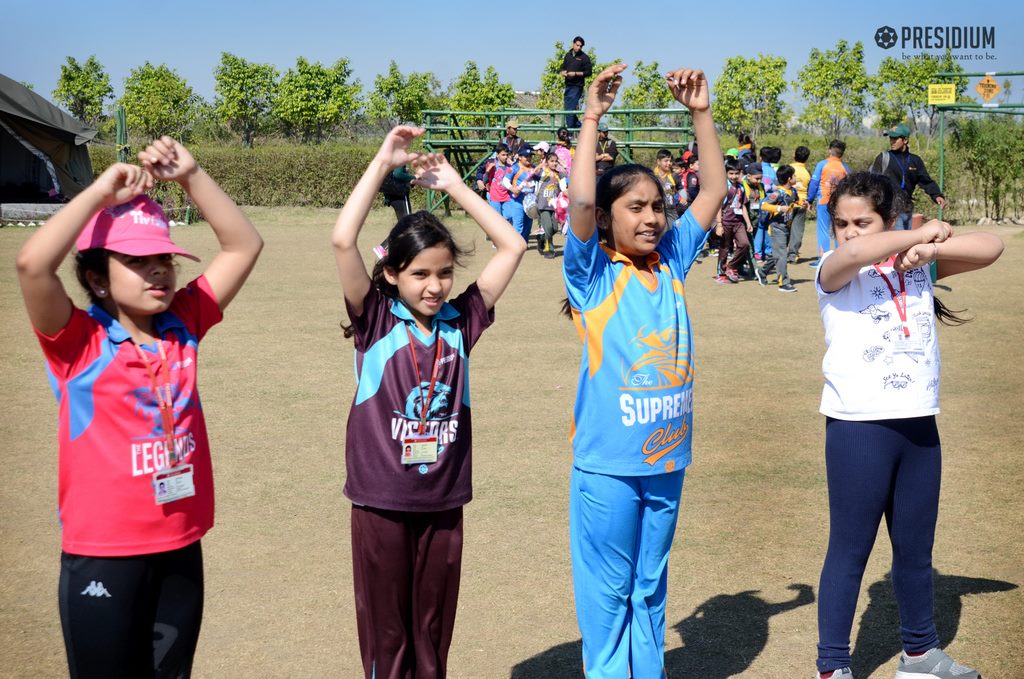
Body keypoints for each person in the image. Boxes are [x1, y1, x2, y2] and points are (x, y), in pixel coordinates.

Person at [15, 136, 263, 677]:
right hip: (104, 553)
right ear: (97, 279)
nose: (158, 272)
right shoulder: (77, 342)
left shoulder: (185, 322)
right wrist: (100, 192)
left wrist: (192, 175)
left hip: (180, 546)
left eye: (164, 261)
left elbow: (243, 245)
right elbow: (33, 265)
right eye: (137, 261)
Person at [331, 125, 526, 679]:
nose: (435, 286)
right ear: (392, 275)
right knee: (387, 636)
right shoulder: (373, 319)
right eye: (419, 274)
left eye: (443, 273)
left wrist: (455, 187)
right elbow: (344, 240)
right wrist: (381, 161)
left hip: (442, 499)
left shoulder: (462, 322)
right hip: (381, 500)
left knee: (432, 635)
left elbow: (511, 244)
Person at [563, 63, 726, 678]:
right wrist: (591, 118)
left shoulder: (673, 261)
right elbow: (580, 197)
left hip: (666, 461)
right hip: (608, 463)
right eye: (636, 207)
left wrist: (700, 114)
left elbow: (710, 194)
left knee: (649, 585)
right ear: (607, 218)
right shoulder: (593, 273)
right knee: (607, 594)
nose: (653, 217)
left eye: (658, 206)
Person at [813, 172, 1003, 679]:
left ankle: (919, 656)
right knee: (850, 552)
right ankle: (832, 666)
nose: (851, 233)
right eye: (841, 224)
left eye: (863, 222)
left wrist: (925, 250)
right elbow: (854, 258)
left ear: (888, 219)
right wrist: (919, 234)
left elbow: (992, 247)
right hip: (859, 428)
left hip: (919, 426)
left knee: (916, 552)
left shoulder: (913, 259)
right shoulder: (835, 268)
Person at [869, 123, 946, 230]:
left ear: (905, 140)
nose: (892, 141)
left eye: (895, 139)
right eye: (891, 138)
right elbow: (872, 182)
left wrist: (937, 195)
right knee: (894, 242)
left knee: (904, 242)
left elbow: (925, 181)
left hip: (906, 209)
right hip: (888, 209)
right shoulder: (883, 158)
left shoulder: (915, 161)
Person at [807, 139, 850, 263]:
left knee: (823, 229)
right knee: (838, 229)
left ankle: (823, 258)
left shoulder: (822, 164)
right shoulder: (845, 168)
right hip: (839, 203)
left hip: (824, 201)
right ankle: (838, 258)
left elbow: (814, 183)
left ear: (830, 150)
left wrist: (809, 199)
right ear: (842, 153)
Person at [760, 164, 800, 292]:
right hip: (777, 227)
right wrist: (778, 208)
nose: (795, 177)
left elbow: (794, 202)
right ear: (789, 178)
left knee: (778, 254)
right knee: (781, 254)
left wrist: (801, 204)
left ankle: (761, 272)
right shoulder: (777, 193)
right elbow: (764, 205)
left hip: (787, 226)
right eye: (794, 175)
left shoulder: (793, 191)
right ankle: (784, 283)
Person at [715, 157, 753, 284]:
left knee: (744, 244)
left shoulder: (741, 188)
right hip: (725, 221)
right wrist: (719, 224)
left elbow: (742, 206)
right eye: (731, 173)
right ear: (726, 173)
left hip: (738, 222)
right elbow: (718, 206)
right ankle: (721, 273)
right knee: (724, 248)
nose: (734, 176)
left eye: (737, 173)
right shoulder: (723, 187)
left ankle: (731, 266)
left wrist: (748, 222)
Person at [375, 165, 416, 259]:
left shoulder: (390, 155)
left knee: (404, 225)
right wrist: (413, 177)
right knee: (407, 225)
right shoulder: (400, 155)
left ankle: (397, 250)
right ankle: (383, 248)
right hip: (399, 194)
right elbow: (398, 174)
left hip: (392, 194)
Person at [533, 151, 568, 258]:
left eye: (555, 161)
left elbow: (563, 189)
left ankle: (541, 238)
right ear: (546, 162)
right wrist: (539, 167)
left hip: (554, 206)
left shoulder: (559, 175)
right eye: (551, 161)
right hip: (543, 205)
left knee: (554, 228)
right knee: (548, 227)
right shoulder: (542, 172)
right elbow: (532, 176)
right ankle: (549, 249)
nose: (554, 163)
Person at [502, 146, 536, 242]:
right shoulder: (515, 167)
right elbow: (505, 180)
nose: (529, 158)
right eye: (526, 156)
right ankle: (515, 244)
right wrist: (512, 189)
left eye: (530, 156)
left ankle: (523, 243)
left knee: (528, 224)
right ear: (520, 157)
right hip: (518, 201)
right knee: (518, 224)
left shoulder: (533, 168)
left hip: (530, 201)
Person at [560, 36, 593, 129]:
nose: (579, 47)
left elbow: (588, 72)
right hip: (568, 85)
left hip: (577, 86)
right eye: (577, 45)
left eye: (581, 46)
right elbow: (562, 67)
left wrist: (575, 73)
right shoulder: (568, 55)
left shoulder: (584, 57)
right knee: (567, 109)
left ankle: (570, 132)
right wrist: (563, 72)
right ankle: (582, 128)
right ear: (573, 44)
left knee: (569, 109)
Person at [788, 146, 812, 264]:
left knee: (785, 227)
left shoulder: (789, 168)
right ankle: (793, 254)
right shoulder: (807, 173)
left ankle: (782, 252)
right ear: (806, 159)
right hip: (802, 203)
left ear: (794, 155)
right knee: (797, 230)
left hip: (789, 202)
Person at [653, 149, 680, 224]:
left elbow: (677, 190)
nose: (669, 163)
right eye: (666, 161)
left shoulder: (673, 176)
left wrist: (681, 197)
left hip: (672, 211)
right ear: (658, 161)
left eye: (670, 161)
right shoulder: (653, 177)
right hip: (659, 210)